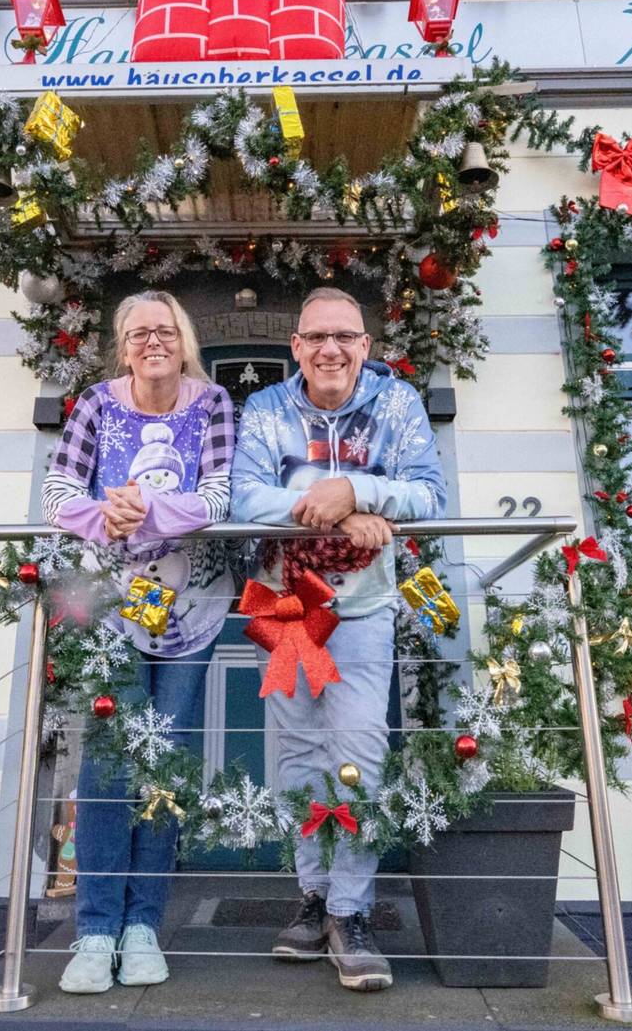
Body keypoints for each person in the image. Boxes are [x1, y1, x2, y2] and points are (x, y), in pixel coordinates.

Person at [229, 287, 448, 993]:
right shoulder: (266, 408)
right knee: (298, 753)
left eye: (345, 336)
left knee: (357, 752)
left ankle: (350, 911)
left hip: (362, 610)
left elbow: (429, 493)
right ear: (296, 346)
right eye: (317, 337)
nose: (331, 349)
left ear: (365, 346)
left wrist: (358, 491)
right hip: (285, 603)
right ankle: (314, 897)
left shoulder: (397, 404)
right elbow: (242, 496)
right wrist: (333, 510)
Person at [42, 290, 235, 995]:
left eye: (166, 331)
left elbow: (220, 495)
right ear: (123, 348)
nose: (154, 341)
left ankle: (143, 925)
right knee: (108, 760)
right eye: (139, 332)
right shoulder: (97, 403)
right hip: (111, 606)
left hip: (193, 604)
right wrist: (107, 513)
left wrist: (147, 505)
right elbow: (57, 491)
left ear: (184, 343)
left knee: (164, 758)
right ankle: (96, 928)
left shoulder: (212, 404)